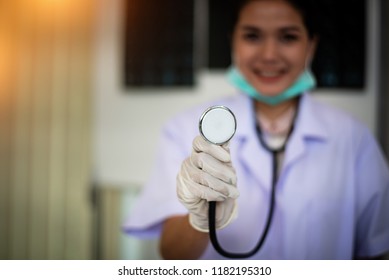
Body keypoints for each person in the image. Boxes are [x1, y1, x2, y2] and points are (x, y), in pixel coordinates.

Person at [123, 0, 389, 259]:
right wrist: (200, 219)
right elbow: (172, 254)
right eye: (252, 36)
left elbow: (376, 252)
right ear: (233, 43)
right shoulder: (184, 128)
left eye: (288, 37)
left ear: (311, 45)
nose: (269, 55)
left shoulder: (352, 138)